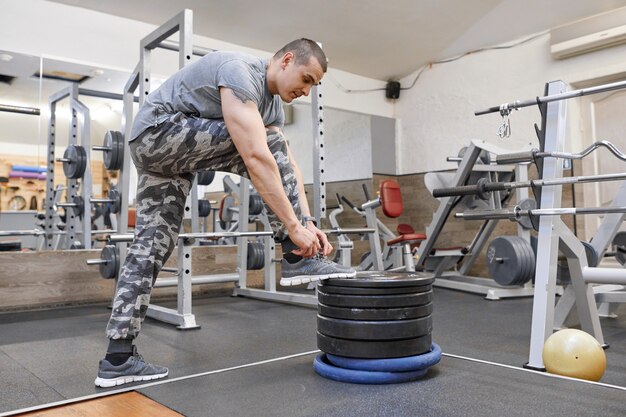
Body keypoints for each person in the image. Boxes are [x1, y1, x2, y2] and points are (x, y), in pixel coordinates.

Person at [94, 39, 356, 388]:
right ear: (287, 59)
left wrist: (307, 222)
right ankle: (293, 256)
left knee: (152, 245)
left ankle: (117, 357)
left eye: (313, 85)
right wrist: (293, 231)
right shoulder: (240, 72)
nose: (307, 91)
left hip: (163, 157)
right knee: (264, 146)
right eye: (306, 79)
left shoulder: (272, 106)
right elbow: (258, 156)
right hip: (157, 132)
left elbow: (287, 162)